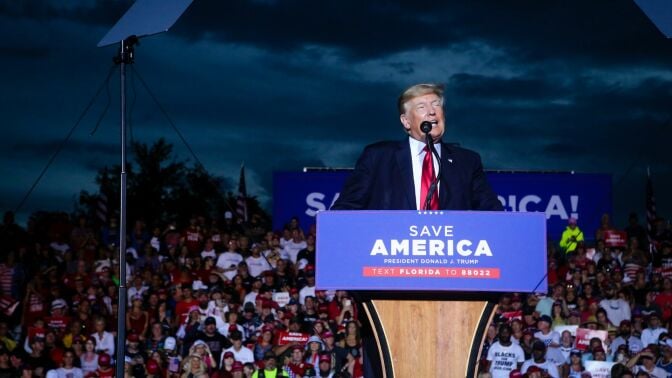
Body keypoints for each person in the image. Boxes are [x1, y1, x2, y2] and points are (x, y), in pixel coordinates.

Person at [332, 83, 501, 212]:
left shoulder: (467, 161)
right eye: (422, 107)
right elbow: (347, 208)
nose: (432, 112)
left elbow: (493, 212)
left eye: (436, 104)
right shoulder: (378, 157)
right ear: (406, 121)